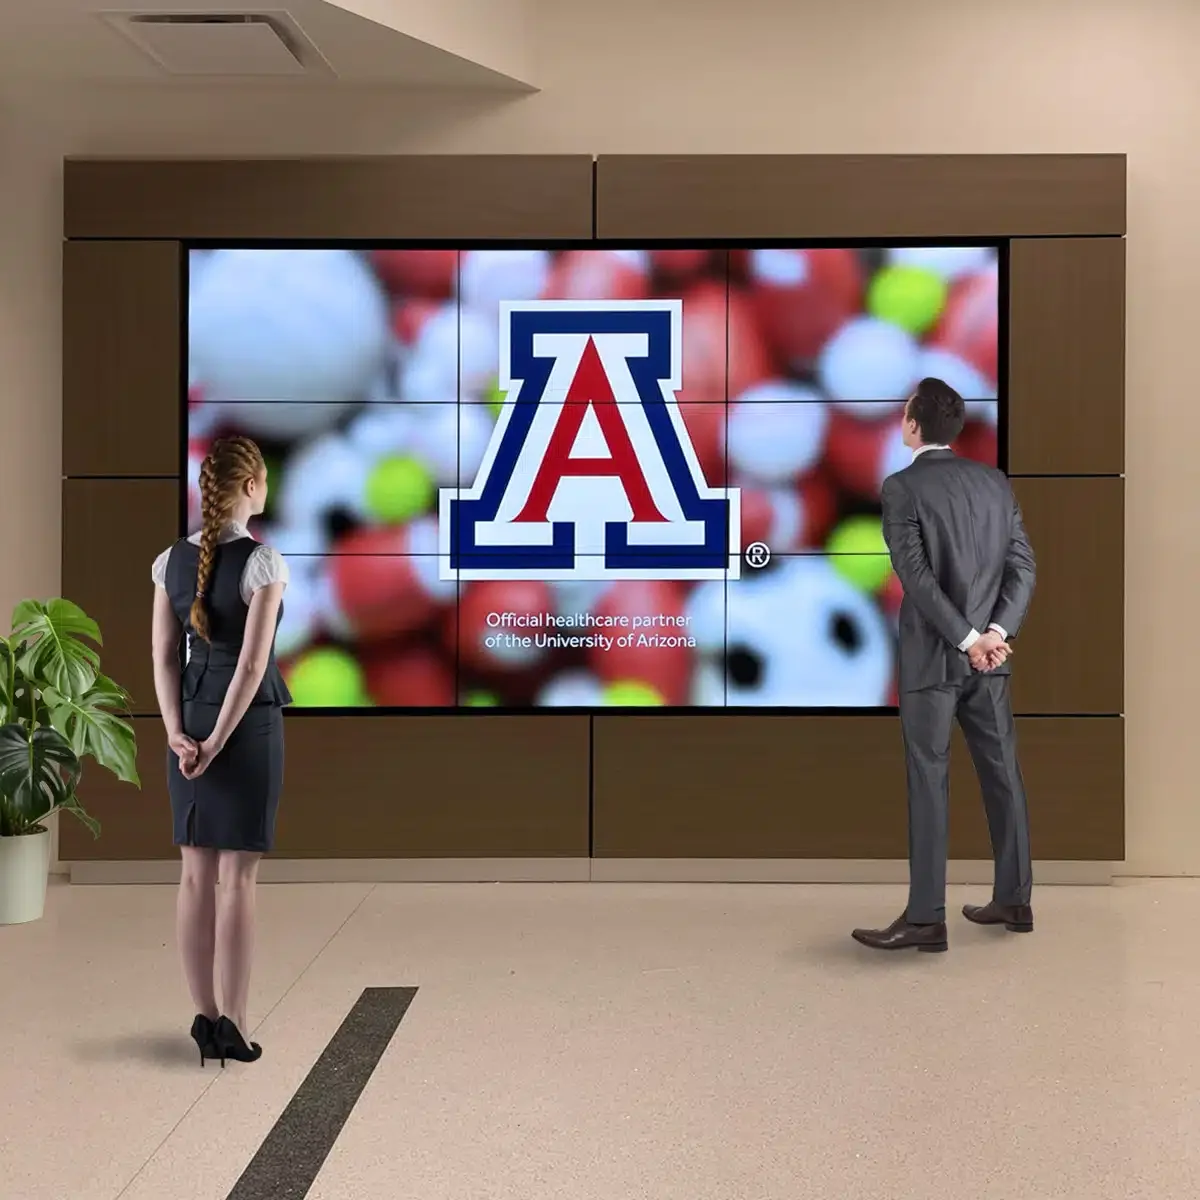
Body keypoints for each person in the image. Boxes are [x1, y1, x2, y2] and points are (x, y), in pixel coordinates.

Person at [852, 379, 1036, 954]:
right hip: (992, 663)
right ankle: (1015, 899)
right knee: (1003, 773)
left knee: (929, 778)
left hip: (935, 660)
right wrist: (995, 634)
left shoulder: (902, 488)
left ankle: (927, 918)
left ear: (911, 425)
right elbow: (1023, 569)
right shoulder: (993, 483)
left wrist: (965, 638)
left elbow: (916, 579)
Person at [150, 435, 291, 1063]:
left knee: (193, 877)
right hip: (246, 728)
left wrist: (177, 734)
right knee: (237, 881)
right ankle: (236, 1022)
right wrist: (216, 742)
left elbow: (162, 656)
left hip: (189, 723)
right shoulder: (265, 563)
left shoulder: (167, 562)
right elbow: (254, 663)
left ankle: (203, 1019)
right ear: (252, 486)